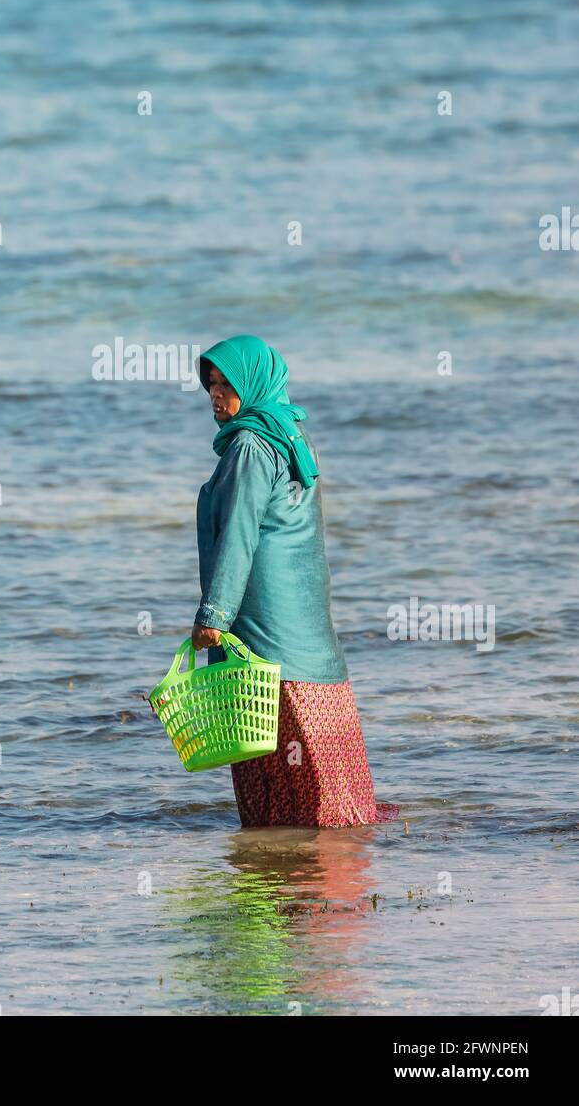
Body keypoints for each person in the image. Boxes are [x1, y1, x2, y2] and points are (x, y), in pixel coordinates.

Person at [192, 334, 399, 829]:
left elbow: (239, 534)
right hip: (304, 619)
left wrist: (213, 616)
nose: (217, 396)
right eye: (211, 385)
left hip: (266, 618)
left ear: (254, 384)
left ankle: (295, 854)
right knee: (319, 766)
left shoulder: (248, 446)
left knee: (273, 734)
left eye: (228, 384)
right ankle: (326, 852)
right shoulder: (289, 434)